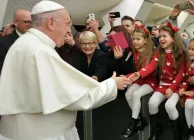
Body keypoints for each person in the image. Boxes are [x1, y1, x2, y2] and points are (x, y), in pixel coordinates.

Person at [0, 1, 131, 140]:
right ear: (51, 22)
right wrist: (112, 84)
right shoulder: (39, 51)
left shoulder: (27, 44)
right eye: (67, 24)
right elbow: (75, 98)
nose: (70, 31)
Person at [148, 22, 186, 140]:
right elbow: (151, 66)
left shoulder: (181, 53)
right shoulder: (159, 52)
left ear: (173, 39)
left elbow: (181, 73)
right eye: (160, 36)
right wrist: (137, 74)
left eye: (164, 36)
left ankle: (177, 134)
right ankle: (156, 130)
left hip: (176, 87)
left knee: (170, 106)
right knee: (152, 103)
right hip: (163, 86)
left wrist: (172, 88)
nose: (161, 39)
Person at [121, 25, 157, 138]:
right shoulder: (135, 53)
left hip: (151, 81)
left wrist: (135, 75)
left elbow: (151, 68)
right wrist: (126, 77)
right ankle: (140, 120)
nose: (135, 42)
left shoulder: (154, 51)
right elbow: (136, 72)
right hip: (140, 80)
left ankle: (132, 123)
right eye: (134, 39)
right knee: (128, 94)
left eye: (138, 39)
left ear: (145, 40)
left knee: (136, 95)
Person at [0, 9, 31, 74]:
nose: (30, 25)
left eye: (32, 22)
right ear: (15, 23)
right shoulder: (3, 42)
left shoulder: (36, 42)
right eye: (27, 22)